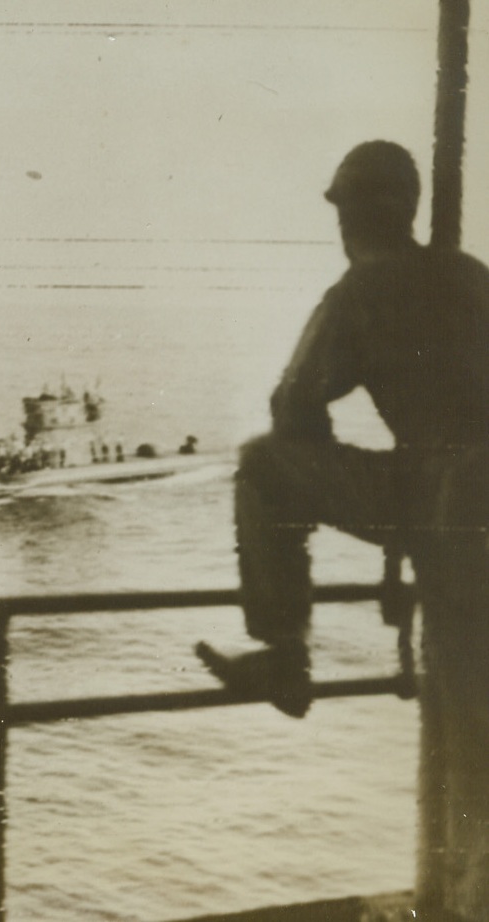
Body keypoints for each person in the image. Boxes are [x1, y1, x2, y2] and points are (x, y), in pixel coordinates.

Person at [195, 141, 489, 919]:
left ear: (350, 214)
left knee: (264, 464)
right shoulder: (472, 278)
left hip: (441, 502)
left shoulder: (360, 290)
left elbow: (293, 408)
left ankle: (285, 653)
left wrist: (379, 506)